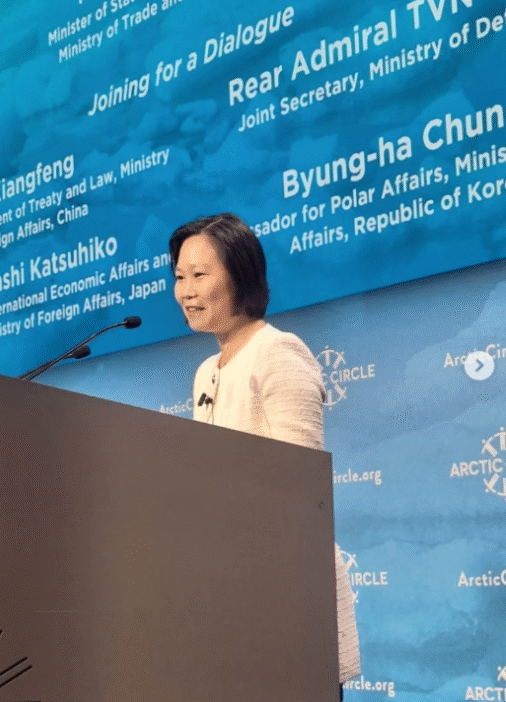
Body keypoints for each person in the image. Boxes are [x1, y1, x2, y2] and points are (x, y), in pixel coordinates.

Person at [169, 212, 360, 695]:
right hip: (231, 594)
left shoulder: (278, 351)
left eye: (199, 275)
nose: (186, 291)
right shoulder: (206, 371)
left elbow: (302, 489)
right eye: (179, 277)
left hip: (287, 596)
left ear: (240, 274)